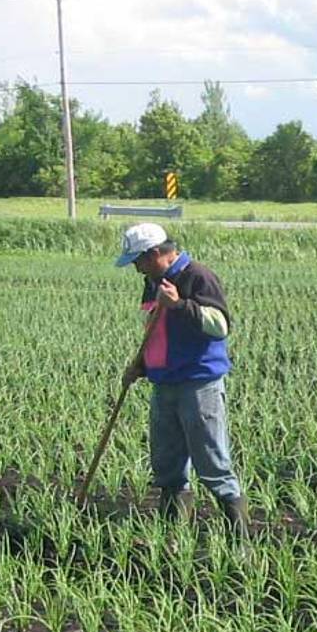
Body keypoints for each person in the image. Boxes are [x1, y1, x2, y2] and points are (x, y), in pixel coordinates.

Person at [116, 223, 248, 535]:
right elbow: (157, 330)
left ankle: (239, 538)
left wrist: (179, 304)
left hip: (197, 380)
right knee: (167, 460)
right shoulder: (154, 281)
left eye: (139, 261)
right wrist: (143, 365)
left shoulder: (197, 276)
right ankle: (173, 535)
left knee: (211, 459)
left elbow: (220, 326)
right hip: (164, 382)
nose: (137, 269)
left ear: (155, 254)